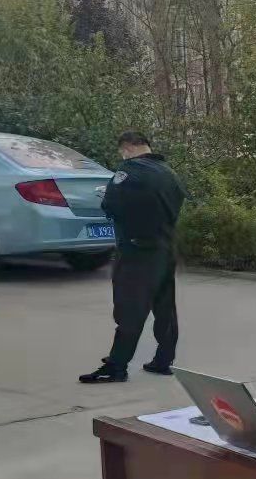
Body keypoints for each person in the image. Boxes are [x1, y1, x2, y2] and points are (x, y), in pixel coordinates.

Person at [80, 132, 186, 383]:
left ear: (127, 148)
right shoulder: (169, 173)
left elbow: (110, 205)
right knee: (165, 308)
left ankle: (116, 367)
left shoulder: (128, 171)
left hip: (136, 251)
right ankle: (163, 360)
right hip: (165, 248)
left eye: (122, 152)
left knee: (130, 309)